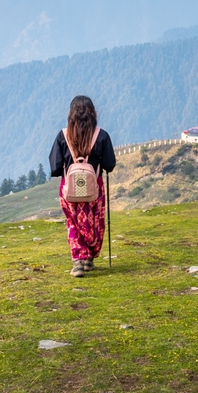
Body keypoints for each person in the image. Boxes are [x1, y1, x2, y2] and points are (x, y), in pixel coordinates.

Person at [49, 95, 117, 277]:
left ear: (71, 114)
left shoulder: (63, 136)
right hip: (94, 189)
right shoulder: (101, 135)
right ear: (93, 114)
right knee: (94, 223)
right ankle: (89, 258)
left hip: (69, 190)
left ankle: (78, 261)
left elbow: (55, 167)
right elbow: (110, 164)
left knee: (73, 223)